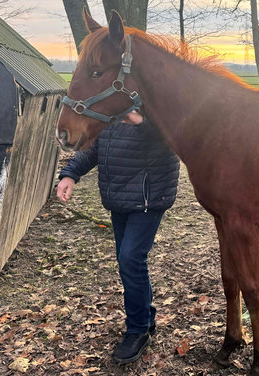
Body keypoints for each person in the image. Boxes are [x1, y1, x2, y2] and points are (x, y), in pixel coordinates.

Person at [56, 112, 179, 364]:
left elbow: (175, 136)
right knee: (128, 261)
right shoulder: (110, 109)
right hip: (119, 197)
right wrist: (70, 174)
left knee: (131, 259)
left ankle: (138, 330)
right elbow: (95, 148)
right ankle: (145, 317)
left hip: (148, 197)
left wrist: (142, 122)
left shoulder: (152, 100)